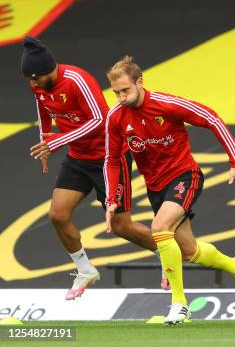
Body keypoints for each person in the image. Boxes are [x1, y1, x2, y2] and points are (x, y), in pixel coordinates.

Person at [104, 56, 235, 325]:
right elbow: (112, 159)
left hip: (184, 176)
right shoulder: (116, 117)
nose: (120, 97)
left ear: (140, 82)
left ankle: (179, 304)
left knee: (159, 226)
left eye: (125, 90)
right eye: (116, 92)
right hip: (155, 186)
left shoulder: (167, 104)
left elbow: (211, 118)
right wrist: (111, 197)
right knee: (189, 251)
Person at [22, 36, 158, 300]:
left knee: (121, 227)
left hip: (109, 157)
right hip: (78, 157)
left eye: (35, 78)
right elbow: (43, 107)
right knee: (57, 215)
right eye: (29, 79)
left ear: (48, 70)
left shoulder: (77, 80)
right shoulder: (39, 85)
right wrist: (45, 137)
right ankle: (85, 270)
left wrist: (57, 140)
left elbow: (99, 119)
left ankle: (168, 253)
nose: (32, 84)